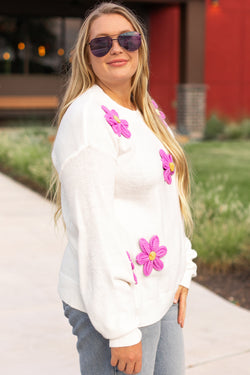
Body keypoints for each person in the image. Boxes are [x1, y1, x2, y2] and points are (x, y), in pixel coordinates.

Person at [50, 2, 197, 374]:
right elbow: (94, 229)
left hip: (157, 295)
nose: (116, 49)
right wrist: (119, 329)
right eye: (101, 44)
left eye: (126, 38)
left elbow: (163, 202)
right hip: (117, 305)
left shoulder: (142, 109)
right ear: (87, 57)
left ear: (140, 46)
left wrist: (182, 269)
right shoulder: (87, 118)